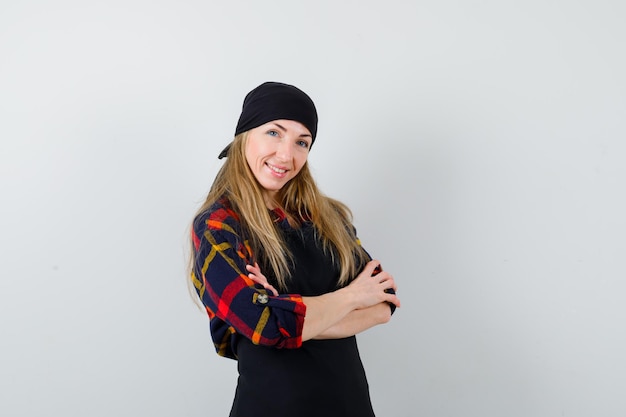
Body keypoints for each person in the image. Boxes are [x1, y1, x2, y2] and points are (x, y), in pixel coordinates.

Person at [189, 81, 401, 417]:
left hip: (350, 405)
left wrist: (285, 310)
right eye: (274, 133)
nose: (286, 155)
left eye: (302, 142)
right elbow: (264, 324)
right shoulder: (219, 226)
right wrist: (351, 297)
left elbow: (385, 302)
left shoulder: (327, 217)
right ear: (245, 135)